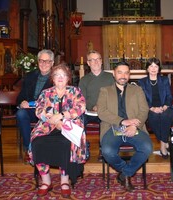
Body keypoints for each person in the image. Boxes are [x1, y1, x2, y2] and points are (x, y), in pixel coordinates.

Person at [29, 63, 86, 197]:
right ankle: (46, 180)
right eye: (57, 75)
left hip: (69, 125)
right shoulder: (46, 93)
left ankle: (64, 181)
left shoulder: (75, 91)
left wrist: (61, 117)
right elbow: (38, 110)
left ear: (68, 78)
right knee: (37, 142)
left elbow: (80, 107)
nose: (60, 78)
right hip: (47, 126)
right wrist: (53, 120)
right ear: (52, 78)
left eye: (63, 75)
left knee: (66, 144)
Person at [97, 61, 153, 192]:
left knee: (147, 148)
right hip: (112, 127)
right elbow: (102, 112)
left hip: (135, 127)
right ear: (114, 73)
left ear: (129, 75)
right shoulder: (105, 91)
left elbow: (144, 110)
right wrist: (122, 121)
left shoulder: (137, 90)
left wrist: (134, 125)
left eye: (126, 72)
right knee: (107, 151)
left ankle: (124, 175)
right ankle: (126, 171)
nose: (123, 75)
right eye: (120, 72)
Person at [16, 49, 54, 163]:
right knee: (20, 113)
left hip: (48, 112)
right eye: (41, 61)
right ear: (38, 62)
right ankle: (29, 148)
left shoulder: (56, 78)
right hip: (31, 111)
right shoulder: (29, 76)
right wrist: (22, 102)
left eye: (47, 61)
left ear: (52, 63)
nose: (44, 64)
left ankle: (47, 150)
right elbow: (20, 96)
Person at [78, 50, 114, 160]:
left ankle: (104, 149)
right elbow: (81, 99)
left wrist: (101, 107)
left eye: (98, 59)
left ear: (101, 61)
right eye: (92, 60)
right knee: (78, 120)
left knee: (108, 120)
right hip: (89, 112)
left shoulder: (111, 77)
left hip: (106, 111)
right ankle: (83, 147)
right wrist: (92, 107)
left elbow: (115, 96)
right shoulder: (84, 80)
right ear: (88, 63)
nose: (95, 62)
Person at [138, 57, 173, 159]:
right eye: (151, 66)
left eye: (156, 66)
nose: (153, 68)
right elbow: (142, 100)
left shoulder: (164, 80)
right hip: (150, 109)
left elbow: (169, 96)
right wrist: (152, 108)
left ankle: (163, 147)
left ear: (159, 68)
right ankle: (165, 141)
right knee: (153, 118)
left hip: (167, 107)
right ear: (147, 69)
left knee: (164, 116)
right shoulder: (142, 82)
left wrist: (164, 107)